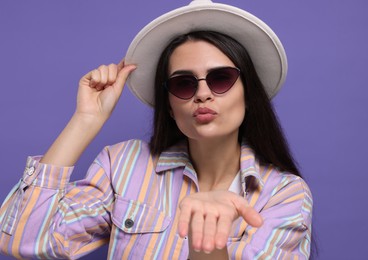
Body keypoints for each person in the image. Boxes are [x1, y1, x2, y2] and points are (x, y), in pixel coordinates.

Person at [0, 0, 313, 259]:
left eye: (220, 79)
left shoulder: (283, 194)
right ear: (169, 106)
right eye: (183, 83)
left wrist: (208, 244)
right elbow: (22, 241)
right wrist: (86, 119)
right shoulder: (122, 165)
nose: (202, 94)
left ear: (249, 96)